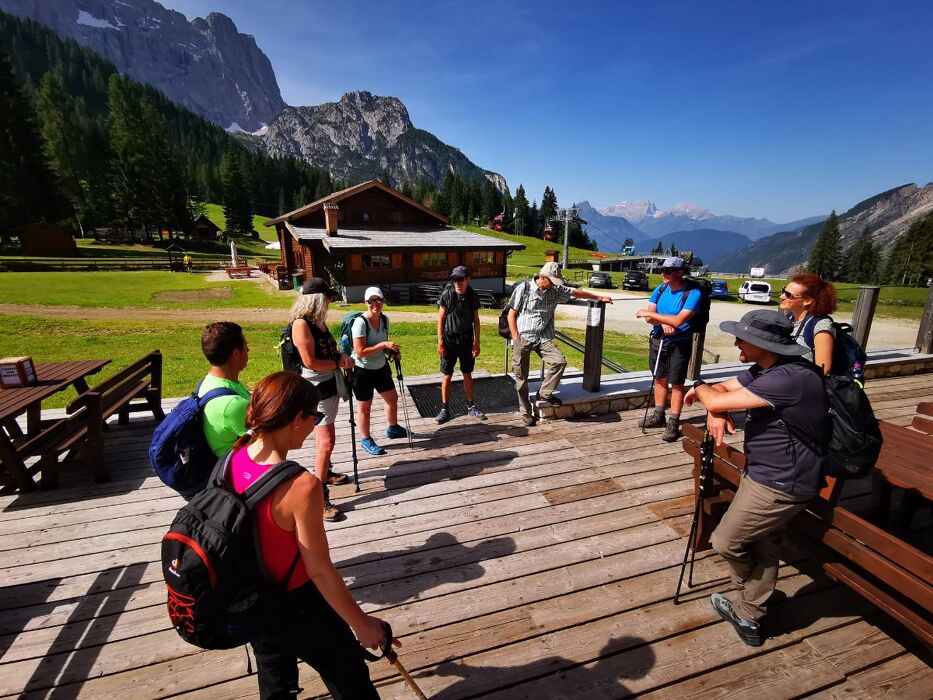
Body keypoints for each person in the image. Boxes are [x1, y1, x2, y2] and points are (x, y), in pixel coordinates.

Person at [229, 372, 394, 698]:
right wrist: (362, 624)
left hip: (253, 602)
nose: (315, 424)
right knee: (350, 679)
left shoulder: (234, 456)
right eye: (314, 417)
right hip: (298, 604)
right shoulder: (301, 486)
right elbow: (318, 570)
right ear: (296, 419)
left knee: (275, 685)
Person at [684, 309, 830, 647]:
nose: (736, 342)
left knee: (726, 541)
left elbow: (715, 394)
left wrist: (707, 395)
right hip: (766, 472)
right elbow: (721, 391)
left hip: (783, 482)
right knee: (764, 541)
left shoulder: (789, 378)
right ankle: (751, 614)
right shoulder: (766, 369)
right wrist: (716, 408)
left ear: (763, 344)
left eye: (742, 338)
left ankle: (747, 595)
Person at [506, 262, 613, 426]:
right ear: (543, 277)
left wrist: (598, 297)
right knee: (521, 377)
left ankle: (544, 393)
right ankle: (525, 412)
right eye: (552, 281)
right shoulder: (524, 288)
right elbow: (511, 314)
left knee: (559, 361)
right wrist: (516, 337)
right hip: (523, 337)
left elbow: (576, 293)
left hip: (543, 337)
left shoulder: (556, 290)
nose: (554, 285)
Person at [289, 277, 356, 522]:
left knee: (326, 439)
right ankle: (319, 497)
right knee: (326, 443)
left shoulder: (318, 322)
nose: (329, 301)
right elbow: (310, 362)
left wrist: (341, 357)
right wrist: (339, 363)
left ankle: (325, 473)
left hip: (329, 384)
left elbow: (327, 351)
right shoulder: (301, 325)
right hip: (316, 388)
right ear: (316, 299)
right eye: (327, 297)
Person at [635, 256, 701, 442]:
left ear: (680, 272)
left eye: (668, 271)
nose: (663, 274)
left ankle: (673, 421)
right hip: (659, 340)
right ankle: (659, 416)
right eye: (662, 270)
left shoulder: (693, 293)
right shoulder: (661, 288)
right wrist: (663, 323)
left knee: (677, 383)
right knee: (659, 378)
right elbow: (650, 318)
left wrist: (654, 316)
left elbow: (679, 321)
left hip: (680, 343)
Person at [350, 286, 407, 455]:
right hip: (362, 370)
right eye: (371, 301)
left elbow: (383, 347)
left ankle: (393, 428)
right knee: (365, 407)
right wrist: (383, 345)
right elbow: (360, 351)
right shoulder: (360, 322)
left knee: (392, 399)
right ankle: (366, 439)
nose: (375, 304)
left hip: (381, 367)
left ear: (383, 301)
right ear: (365, 302)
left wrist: (392, 352)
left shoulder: (385, 319)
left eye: (378, 300)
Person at [435, 265, 487, 424]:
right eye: (454, 280)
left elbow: (476, 320)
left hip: (466, 341)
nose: (457, 283)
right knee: (447, 374)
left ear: (467, 279)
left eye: (460, 279)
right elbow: (440, 319)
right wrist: (440, 342)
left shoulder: (472, 295)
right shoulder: (447, 294)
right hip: (449, 341)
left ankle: (471, 406)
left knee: (467, 373)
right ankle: (444, 409)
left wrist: (476, 343)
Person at [198, 321, 250, 456]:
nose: (248, 350)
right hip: (235, 466)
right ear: (236, 354)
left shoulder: (209, 382)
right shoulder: (232, 404)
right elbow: (269, 439)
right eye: (246, 346)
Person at [780, 273, 838, 375]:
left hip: (802, 381)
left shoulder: (821, 326)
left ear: (807, 301)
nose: (782, 296)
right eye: (783, 291)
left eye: (788, 295)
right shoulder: (788, 317)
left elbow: (824, 370)